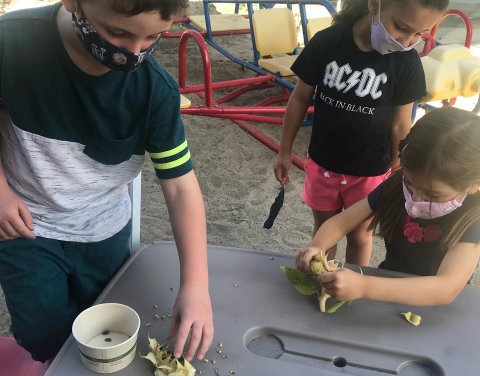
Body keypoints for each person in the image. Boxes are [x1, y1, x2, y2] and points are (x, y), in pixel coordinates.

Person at [0, 0, 213, 362]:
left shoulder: (154, 90)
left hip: (104, 229)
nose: (133, 53)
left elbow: (179, 187)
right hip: (25, 226)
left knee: (107, 327)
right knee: (41, 333)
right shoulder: (11, 40)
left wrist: (196, 287)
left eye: (154, 37)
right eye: (117, 32)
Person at [273, 0, 448, 266]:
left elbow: (401, 125)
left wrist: (397, 169)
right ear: (374, 4)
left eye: (418, 35)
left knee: (359, 237)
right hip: (323, 164)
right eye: (401, 27)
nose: (406, 41)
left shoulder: (406, 62)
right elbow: (298, 100)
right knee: (324, 234)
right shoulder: (327, 42)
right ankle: (320, 286)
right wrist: (284, 151)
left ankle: (354, 287)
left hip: (370, 172)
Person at [296, 107, 480, 306]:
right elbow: (341, 223)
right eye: (410, 183)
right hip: (388, 289)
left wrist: (364, 286)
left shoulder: (473, 218)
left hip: (440, 309)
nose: (416, 197)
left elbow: (445, 288)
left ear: (474, 184)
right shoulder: (396, 185)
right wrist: (317, 246)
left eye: (432, 194)